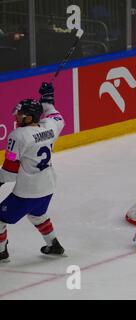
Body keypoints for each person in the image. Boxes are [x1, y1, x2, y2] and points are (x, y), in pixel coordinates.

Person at [0, 82, 65, 262]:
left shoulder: (18, 136)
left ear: (29, 118)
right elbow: (55, 115)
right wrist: (48, 98)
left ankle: (1, 252)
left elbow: (10, 171)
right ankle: (54, 244)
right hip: (48, 186)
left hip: (27, 191)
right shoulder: (50, 127)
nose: (17, 117)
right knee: (37, 214)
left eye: (21, 114)